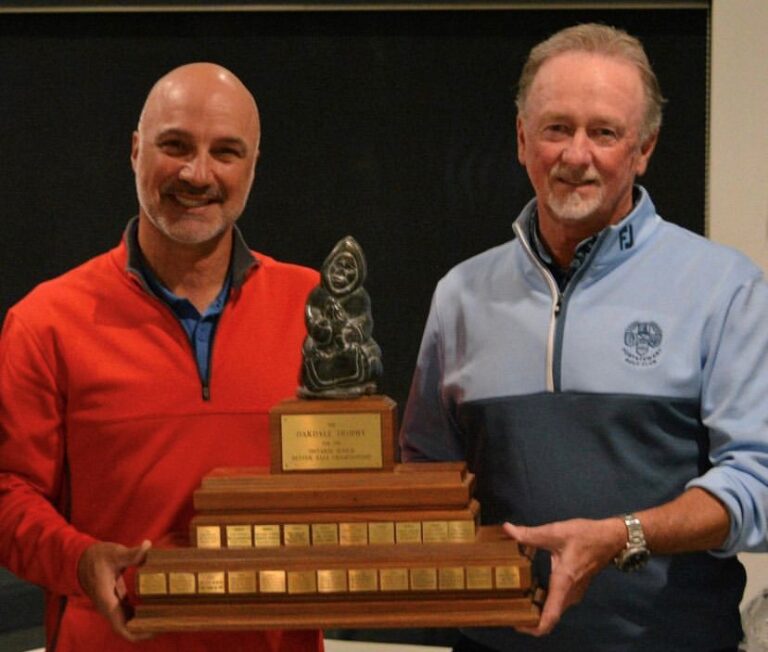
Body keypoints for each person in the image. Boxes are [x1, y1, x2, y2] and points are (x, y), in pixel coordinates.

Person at [400, 23, 768, 652]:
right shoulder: (461, 295)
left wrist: (622, 535)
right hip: (492, 644)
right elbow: (426, 477)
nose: (576, 154)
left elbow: (757, 482)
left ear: (644, 147)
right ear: (522, 140)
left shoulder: (723, 287)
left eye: (604, 132)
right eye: (556, 128)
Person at [0, 63, 323, 651]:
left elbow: (356, 481)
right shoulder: (45, 320)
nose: (197, 174)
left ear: (252, 167)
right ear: (134, 151)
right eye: (175, 146)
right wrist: (79, 561)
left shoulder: (315, 308)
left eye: (226, 152)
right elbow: (9, 490)